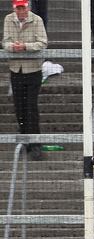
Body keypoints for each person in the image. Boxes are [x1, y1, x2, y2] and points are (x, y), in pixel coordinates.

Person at [3, 0, 47, 161]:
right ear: (14, 8)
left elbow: (42, 42)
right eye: (18, 8)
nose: (21, 11)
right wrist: (12, 47)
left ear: (28, 7)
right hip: (16, 69)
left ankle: (35, 144)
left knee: (31, 108)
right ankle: (24, 141)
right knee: (19, 108)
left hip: (33, 70)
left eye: (23, 7)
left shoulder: (37, 20)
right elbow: (5, 41)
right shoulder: (8, 19)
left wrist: (25, 46)